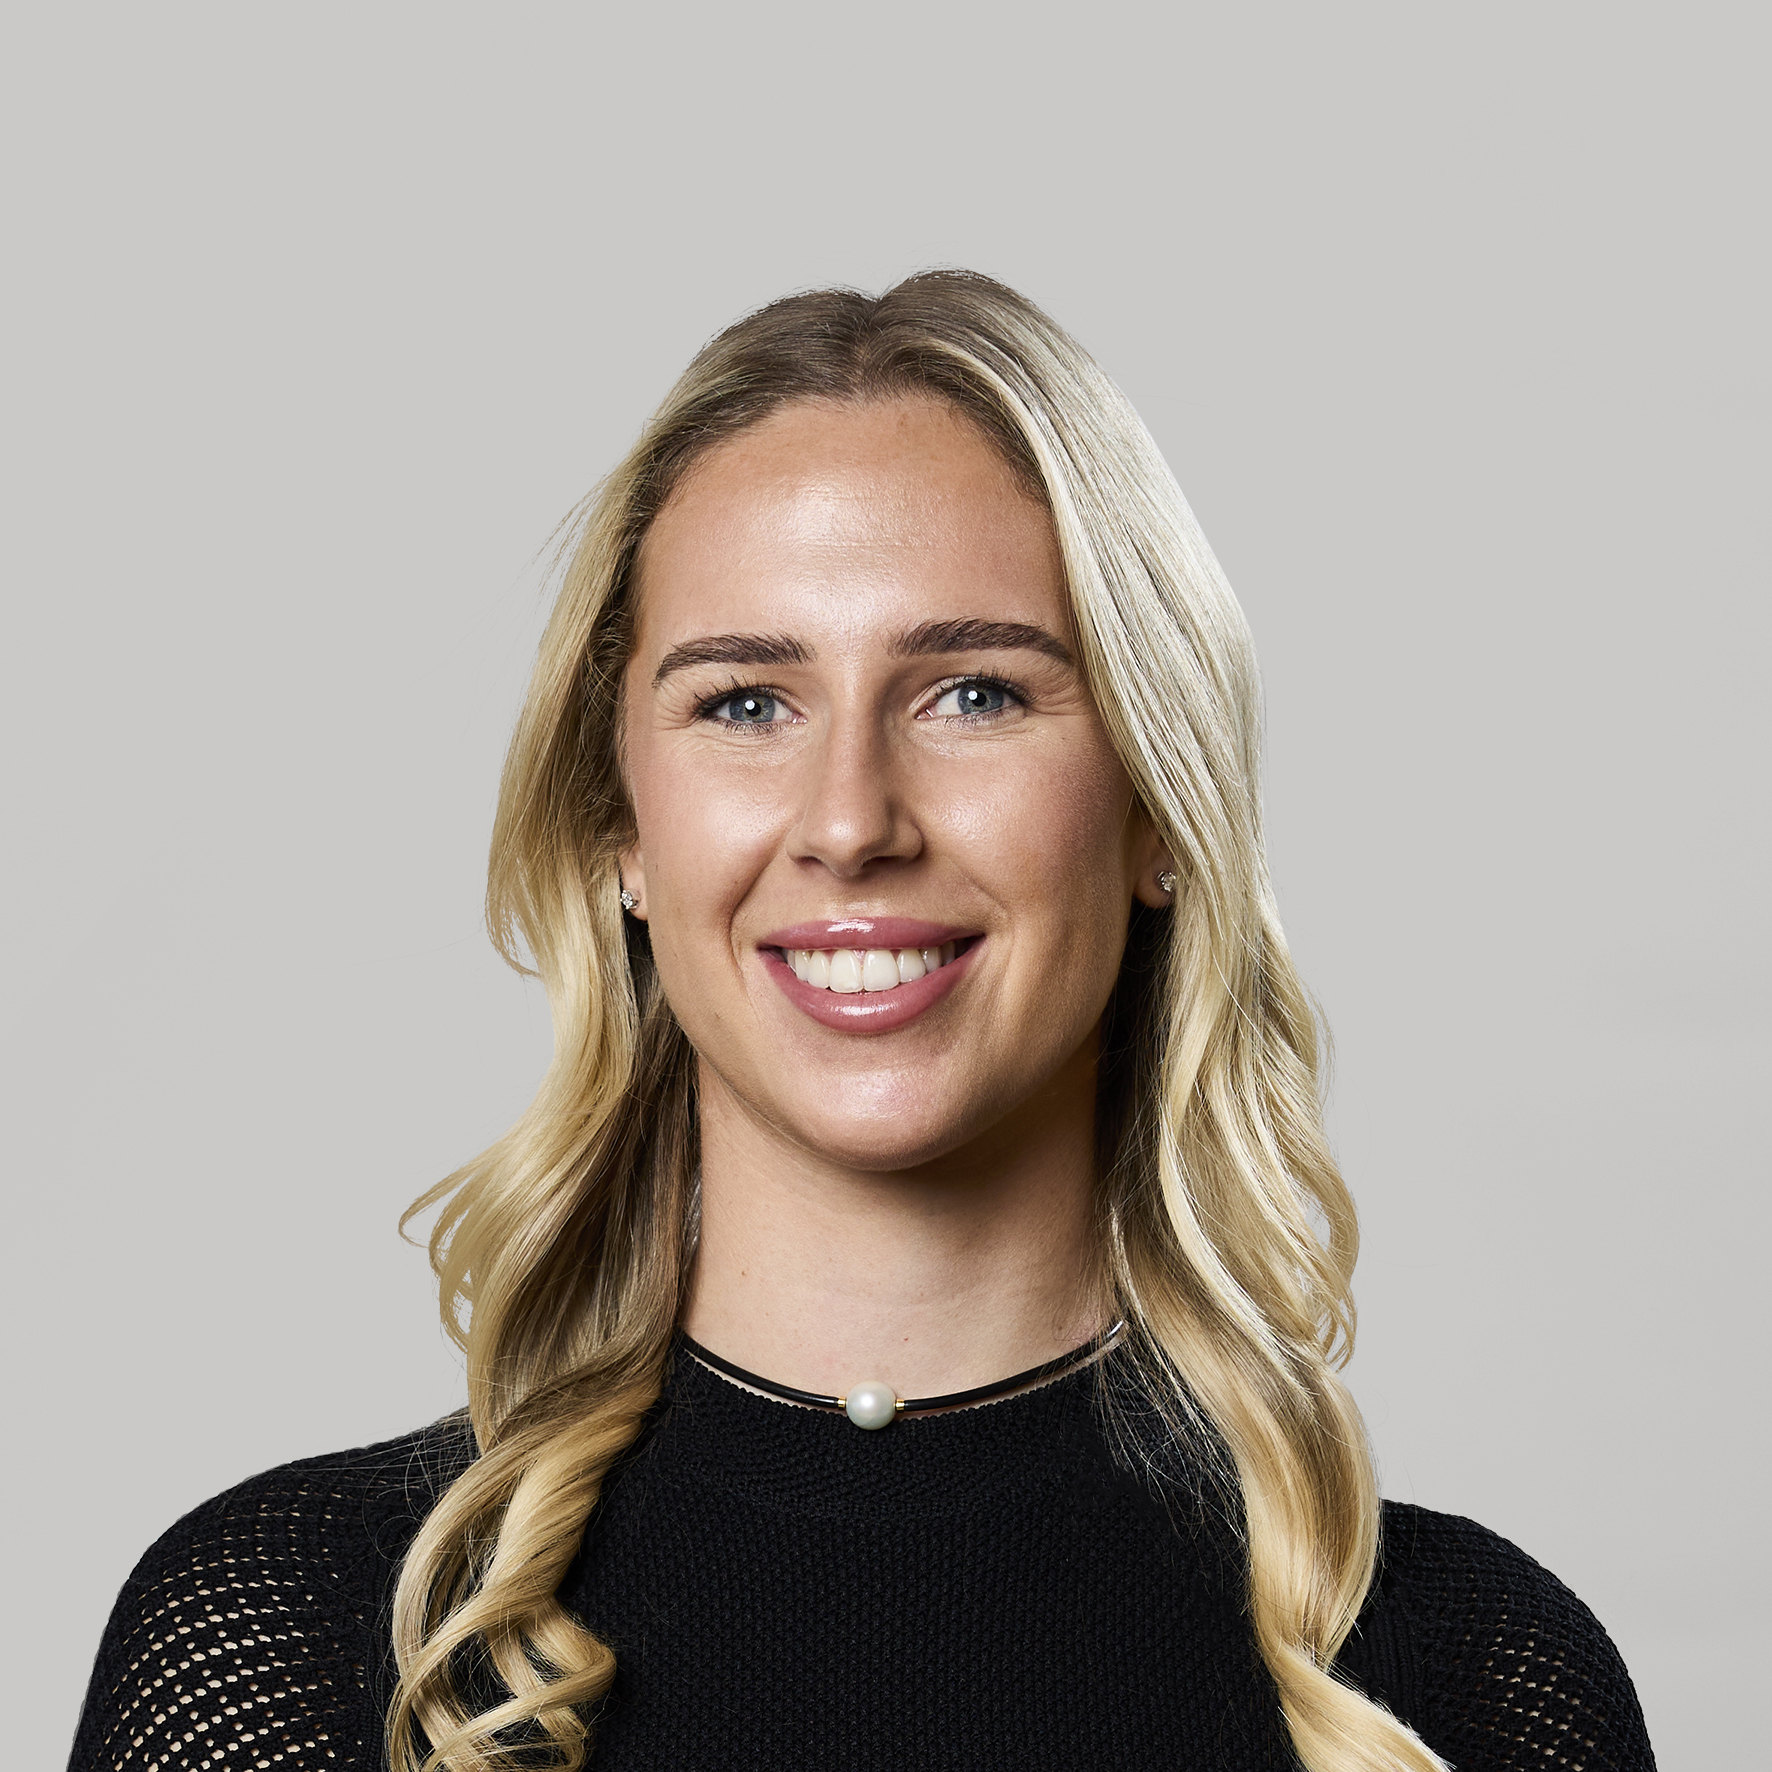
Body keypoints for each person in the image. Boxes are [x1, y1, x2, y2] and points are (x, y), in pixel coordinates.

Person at [68, 271, 1656, 1772]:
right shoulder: (290, 1648)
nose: (849, 822)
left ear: (1158, 808)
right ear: (623, 833)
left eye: (975, 693)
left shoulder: (1473, 1686)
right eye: (745, 702)